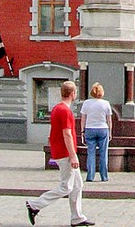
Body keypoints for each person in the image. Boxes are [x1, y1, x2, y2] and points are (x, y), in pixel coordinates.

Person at [26, 80, 94, 226]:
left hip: (59, 150)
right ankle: (35, 205)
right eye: (75, 92)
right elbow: (67, 134)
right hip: (65, 153)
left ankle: (77, 217)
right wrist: (73, 155)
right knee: (66, 186)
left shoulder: (57, 108)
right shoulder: (65, 111)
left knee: (77, 185)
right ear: (72, 93)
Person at [79, 82, 113, 183]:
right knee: (103, 153)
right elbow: (109, 120)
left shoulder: (86, 103)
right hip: (103, 129)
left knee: (91, 153)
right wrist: (110, 132)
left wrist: (82, 131)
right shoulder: (106, 103)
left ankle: (90, 176)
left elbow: (83, 119)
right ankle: (104, 176)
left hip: (89, 129)